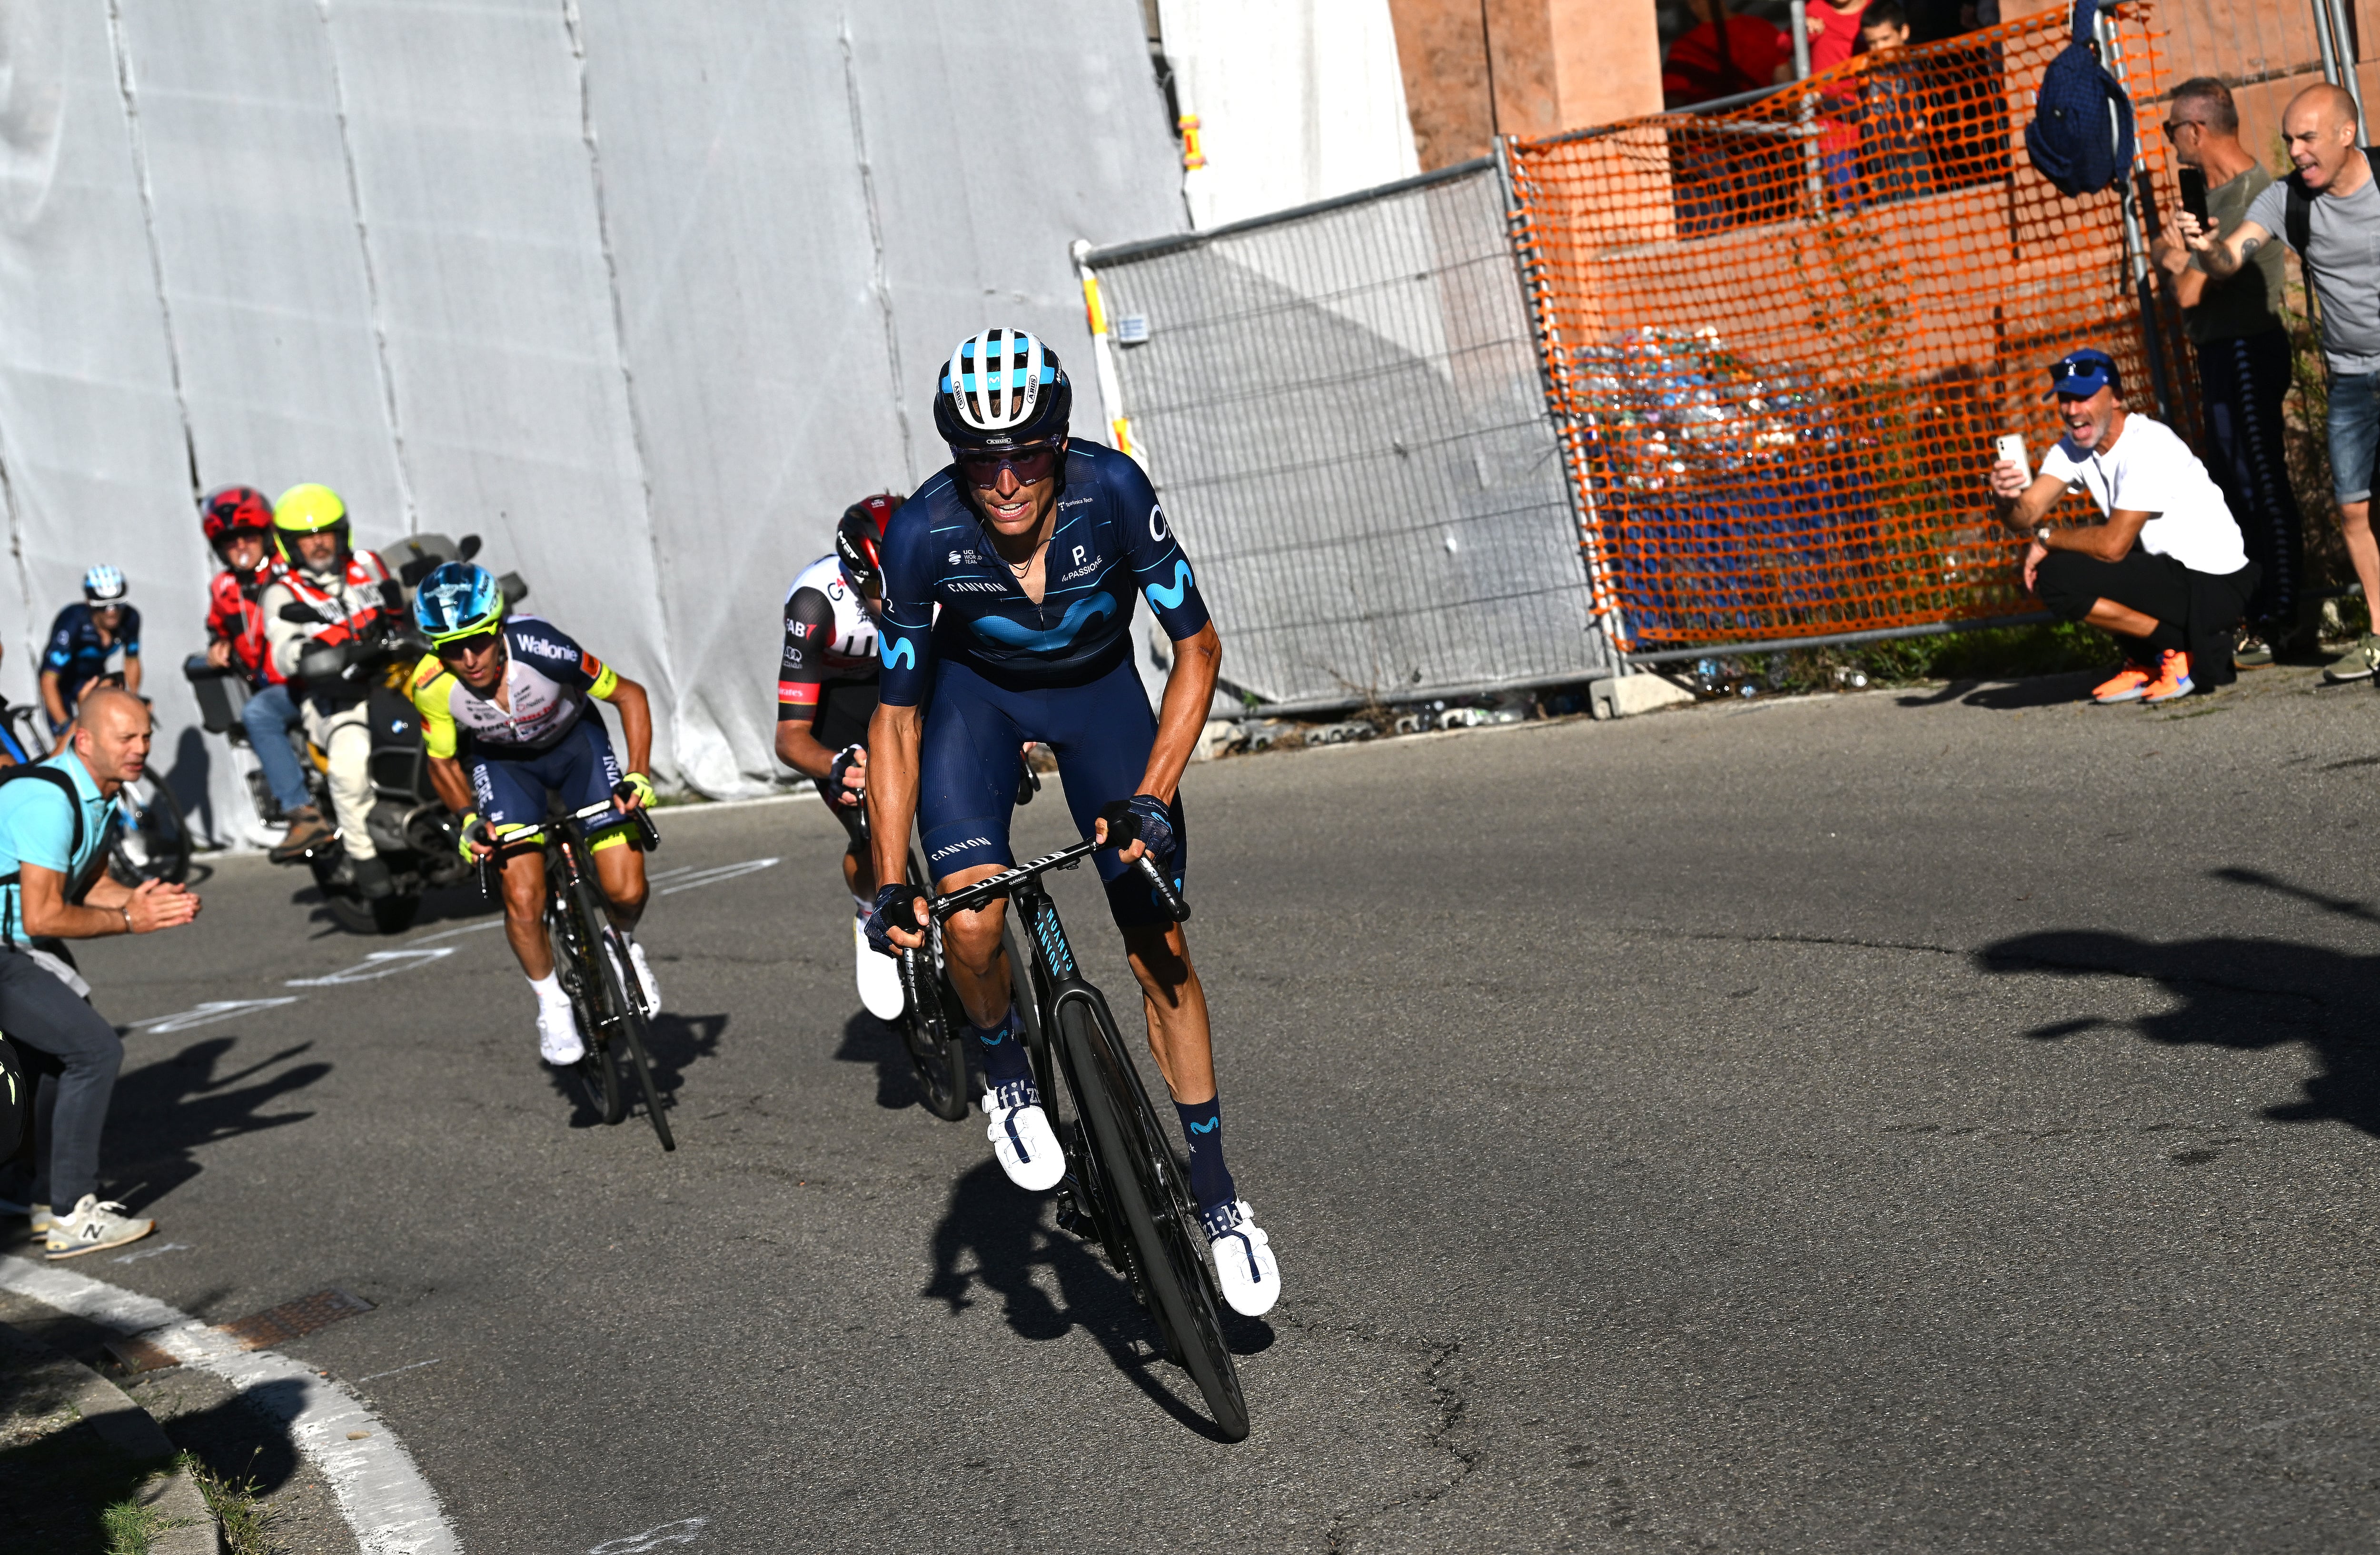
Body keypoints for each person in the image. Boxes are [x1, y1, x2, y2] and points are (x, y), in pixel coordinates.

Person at [862, 326, 1280, 1318]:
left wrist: (1153, 792)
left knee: (1158, 945)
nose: (1003, 481)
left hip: (1101, 704)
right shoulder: (922, 535)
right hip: (978, 706)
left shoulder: (1113, 491)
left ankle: (1218, 1196)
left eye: (1025, 455)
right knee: (968, 919)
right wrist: (888, 879)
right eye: (980, 460)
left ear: (1058, 443)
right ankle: (1007, 1072)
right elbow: (897, 716)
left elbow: (1197, 651)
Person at [409, 562, 660, 1066]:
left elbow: (630, 694)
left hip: (576, 749)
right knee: (522, 897)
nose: (467, 657)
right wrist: (465, 818)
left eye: (477, 640)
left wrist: (638, 774)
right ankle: (552, 1003)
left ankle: (620, 941)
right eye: (449, 647)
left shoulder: (544, 647)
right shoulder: (431, 684)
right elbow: (440, 760)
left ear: (498, 626)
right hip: (504, 768)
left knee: (626, 888)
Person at [2180, 83, 2380, 684]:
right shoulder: (2283, 200)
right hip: (2349, 376)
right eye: (2290, 139)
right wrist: (2204, 249)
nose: (2294, 150)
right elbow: (2229, 261)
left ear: (2346, 134)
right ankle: (2378, 633)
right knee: (2353, 511)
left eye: (2307, 138)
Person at [0, 688, 201, 1257]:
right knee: (93, 1050)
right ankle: (71, 1212)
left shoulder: (99, 794)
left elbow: (83, 884)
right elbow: (44, 912)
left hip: (17, 942)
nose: (140, 748)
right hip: (11, 943)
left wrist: (144, 899)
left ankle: (34, 1193)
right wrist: (131, 922)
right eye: (126, 738)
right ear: (84, 740)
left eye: (146, 735)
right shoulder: (50, 800)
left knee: (57, 1052)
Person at [1990, 349, 2258, 704]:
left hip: (2213, 586)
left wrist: (2048, 538)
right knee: (2061, 571)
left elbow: (2112, 545)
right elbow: (2024, 515)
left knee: (2060, 573)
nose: (2072, 411)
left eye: (2083, 397)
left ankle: (2176, 649)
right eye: (2066, 399)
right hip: (2170, 575)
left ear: (2117, 397)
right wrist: (2005, 498)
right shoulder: (2074, 448)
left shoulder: (2148, 444)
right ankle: (2149, 660)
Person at [2151, 79, 2305, 667]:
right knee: (2232, 486)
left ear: (2195, 129)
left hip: (2246, 348)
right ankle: (2257, 609)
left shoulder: (2248, 198)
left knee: (2260, 481)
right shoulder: (2205, 198)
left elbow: (2186, 288)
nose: (2171, 145)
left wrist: (2170, 255)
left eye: (2171, 131)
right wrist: (2172, 258)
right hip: (2217, 351)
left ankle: (2284, 614)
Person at [774, 494, 906, 1022]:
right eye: (880, 588)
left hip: (897, 684)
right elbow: (789, 739)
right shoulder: (813, 604)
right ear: (854, 577)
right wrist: (835, 766)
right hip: (833, 706)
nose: (895, 599)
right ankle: (869, 907)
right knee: (870, 824)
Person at [257, 484, 398, 890]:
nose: (319, 542)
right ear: (289, 544)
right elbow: (283, 647)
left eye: (326, 532)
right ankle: (365, 857)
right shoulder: (283, 593)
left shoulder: (369, 564)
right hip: (335, 696)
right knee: (351, 763)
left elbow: (408, 593)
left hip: (395, 679)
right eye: (307, 536)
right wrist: (311, 654)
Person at [199, 485, 326, 853]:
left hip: (316, 674)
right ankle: (302, 813)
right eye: (230, 541)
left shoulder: (291, 569)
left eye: (249, 537)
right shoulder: (223, 587)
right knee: (257, 712)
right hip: (276, 689)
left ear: (266, 535)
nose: (241, 547)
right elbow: (217, 628)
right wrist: (217, 646)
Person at [39, 567, 142, 736]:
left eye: (118, 603)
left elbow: (132, 660)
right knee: (68, 740)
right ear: (89, 602)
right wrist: (65, 726)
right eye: (103, 605)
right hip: (62, 681)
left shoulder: (131, 618)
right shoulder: (72, 622)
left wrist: (135, 698)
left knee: (106, 732)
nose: (112, 611)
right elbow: (49, 681)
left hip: (93, 676)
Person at [1850, 2, 1934, 203]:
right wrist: (1823, 102)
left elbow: (1930, 103)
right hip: (1878, 161)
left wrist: (1922, 122)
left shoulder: (1913, 65)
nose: (1879, 48)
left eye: (1885, 39)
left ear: (1903, 32)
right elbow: (1864, 113)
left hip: (1910, 156)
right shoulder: (1868, 72)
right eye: (1872, 43)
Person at [1661, 0, 1794, 110]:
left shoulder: (1686, 46)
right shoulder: (1765, 29)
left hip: (1710, 137)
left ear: (1692, 4)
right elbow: (1789, 93)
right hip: (1766, 134)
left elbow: (1674, 105)